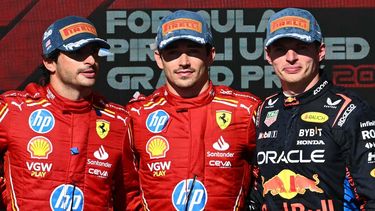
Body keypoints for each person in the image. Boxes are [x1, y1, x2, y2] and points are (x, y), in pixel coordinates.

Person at [0, 16, 140, 210]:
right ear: (50, 62)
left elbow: (129, 197)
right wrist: (9, 197)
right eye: (78, 53)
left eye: (94, 52)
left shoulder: (118, 120)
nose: (91, 60)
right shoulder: (13, 109)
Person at [126, 10, 261, 210]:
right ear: (158, 58)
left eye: (193, 51)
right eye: (172, 53)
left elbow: (268, 181)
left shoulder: (246, 109)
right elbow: (124, 190)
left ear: (210, 55)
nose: (183, 62)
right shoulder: (136, 114)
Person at [250, 8, 375, 210]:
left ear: (321, 51)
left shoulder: (349, 111)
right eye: (280, 49)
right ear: (268, 55)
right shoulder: (264, 111)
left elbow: (372, 197)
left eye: (301, 47)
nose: (291, 57)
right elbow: (257, 193)